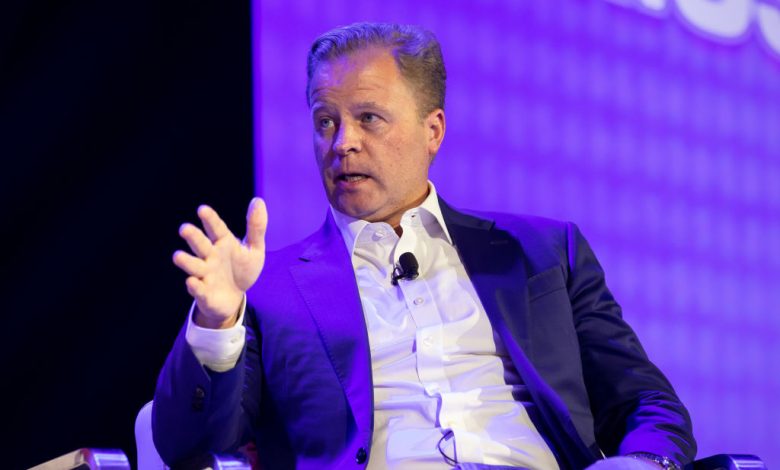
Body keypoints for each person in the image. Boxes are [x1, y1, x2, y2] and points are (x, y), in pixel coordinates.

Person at [153, 22, 695, 470]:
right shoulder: (268, 287)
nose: (343, 143)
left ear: (432, 130)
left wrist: (648, 463)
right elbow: (190, 449)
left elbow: (648, 404)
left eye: (368, 117)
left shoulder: (545, 252)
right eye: (326, 122)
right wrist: (216, 326)